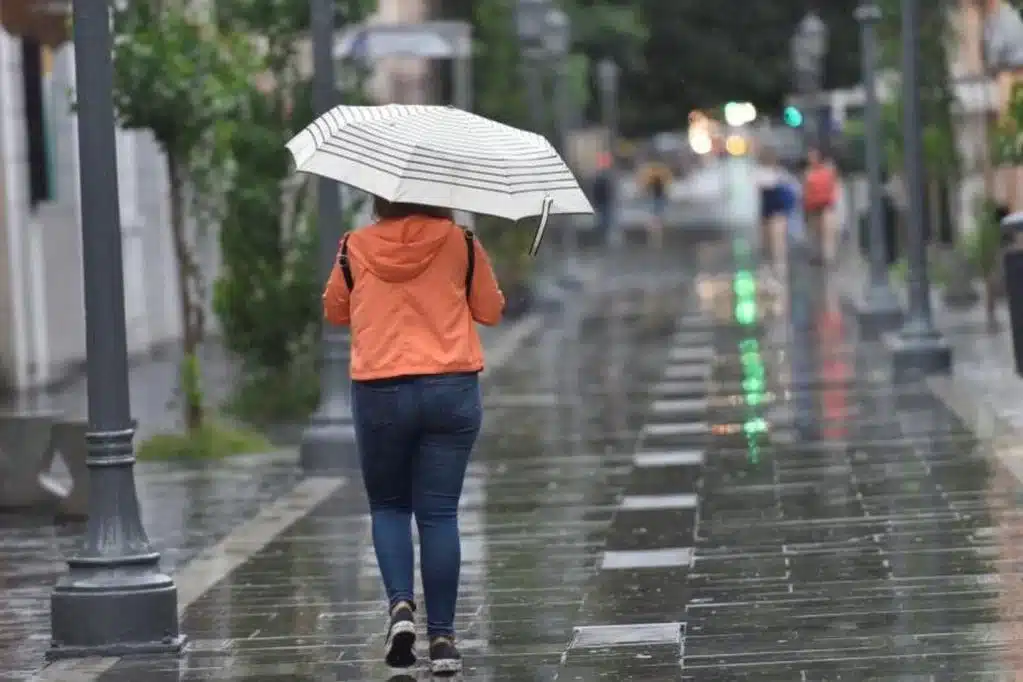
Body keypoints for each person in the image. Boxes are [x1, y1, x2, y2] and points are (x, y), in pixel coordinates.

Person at [322, 197, 505, 675]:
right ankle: (443, 639)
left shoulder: (355, 246)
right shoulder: (461, 242)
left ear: (381, 196)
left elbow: (335, 311)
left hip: (380, 389)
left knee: (389, 507)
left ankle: (401, 607)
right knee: (439, 514)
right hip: (451, 387)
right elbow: (490, 310)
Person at [803, 147, 838, 266]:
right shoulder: (808, 172)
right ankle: (818, 255)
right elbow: (806, 190)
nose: (811, 159)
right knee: (815, 232)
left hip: (826, 205)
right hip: (813, 207)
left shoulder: (827, 169)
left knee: (827, 232)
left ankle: (828, 257)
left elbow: (833, 186)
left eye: (813, 156)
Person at [592, 152, 615, 246]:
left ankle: (602, 237)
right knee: (605, 221)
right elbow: (608, 190)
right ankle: (603, 237)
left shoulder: (600, 178)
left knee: (604, 220)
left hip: (603, 202)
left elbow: (596, 191)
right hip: (604, 202)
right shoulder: (604, 178)